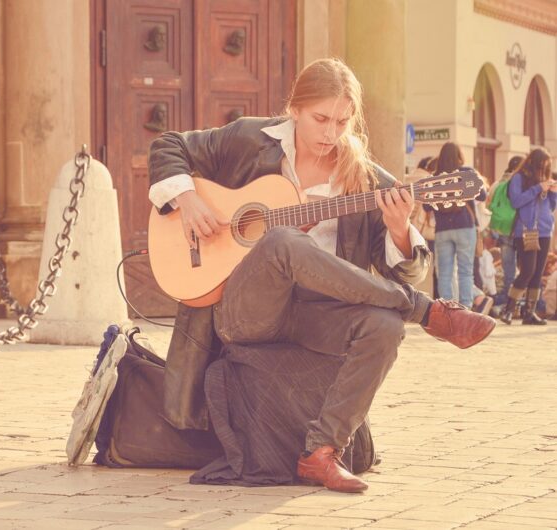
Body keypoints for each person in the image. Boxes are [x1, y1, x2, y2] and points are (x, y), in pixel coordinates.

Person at [147, 58, 496, 493]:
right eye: (321, 119)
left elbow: (411, 268)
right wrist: (186, 198)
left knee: (384, 326)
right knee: (283, 241)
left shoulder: (366, 180)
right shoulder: (247, 140)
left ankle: (322, 452)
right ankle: (426, 313)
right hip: (244, 313)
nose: (331, 134)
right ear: (294, 109)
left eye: (343, 122)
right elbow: (168, 145)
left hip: (315, 317)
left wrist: (399, 229)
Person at [422, 143, 486, 308]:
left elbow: (426, 206)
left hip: (443, 230)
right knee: (465, 271)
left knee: (444, 273)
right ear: (459, 156)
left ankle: (448, 310)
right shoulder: (466, 173)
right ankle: (465, 309)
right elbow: (482, 195)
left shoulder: (434, 178)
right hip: (465, 227)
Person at [500, 148, 557, 325]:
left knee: (537, 273)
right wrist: (537, 188)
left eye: (547, 166)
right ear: (534, 162)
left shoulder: (544, 179)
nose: (545, 169)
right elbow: (516, 201)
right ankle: (508, 309)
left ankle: (529, 313)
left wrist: (553, 192)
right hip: (526, 230)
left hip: (545, 231)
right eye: (543, 165)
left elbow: (550, 207)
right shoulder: (519, 178)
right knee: (527, 271)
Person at [487, 156, 524, 308]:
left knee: (508, 268)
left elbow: (489, 204)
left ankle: (509, 305)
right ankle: (518, 301)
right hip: (520, 229)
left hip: (503, 229)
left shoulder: (498, 183)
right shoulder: (522, 183)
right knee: (525, 269)